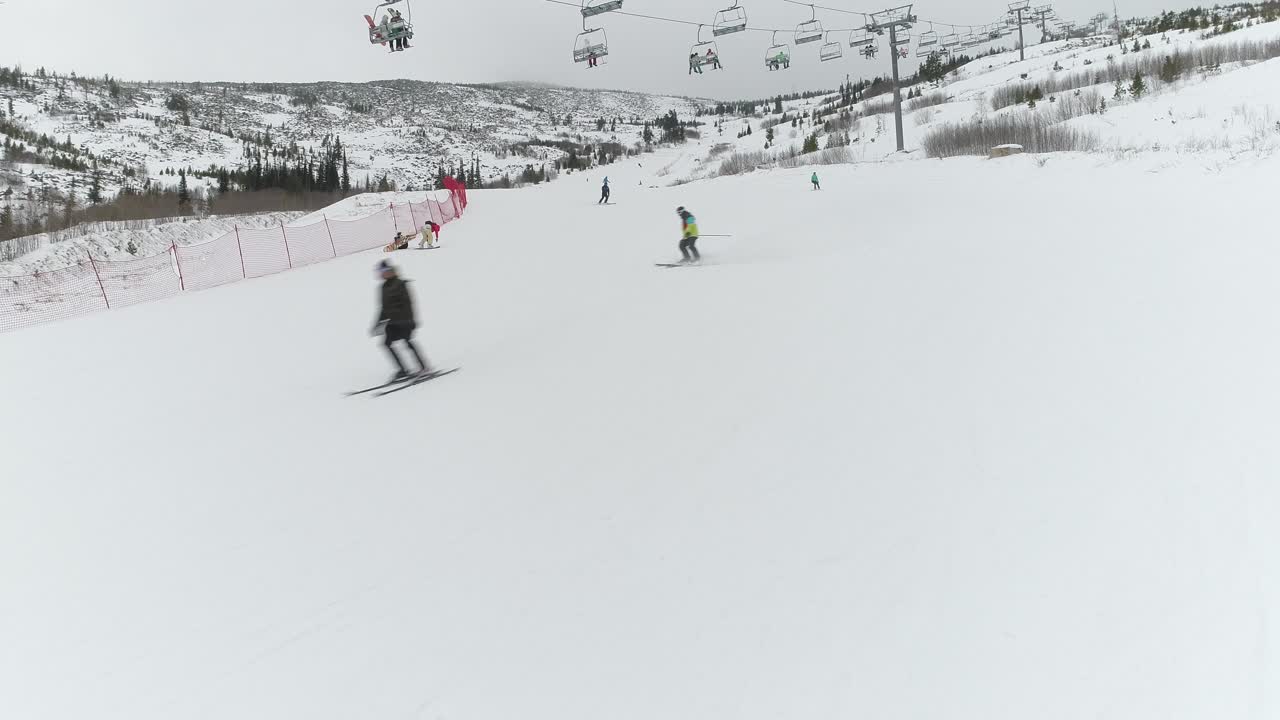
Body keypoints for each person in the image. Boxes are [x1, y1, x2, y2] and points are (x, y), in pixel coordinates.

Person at [372, 260, 432, 381]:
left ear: (390, 270)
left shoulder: (400, 284)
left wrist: (404, 319)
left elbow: (407, 303)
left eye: (385, 271)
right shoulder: (383, 287)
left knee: (407, 341)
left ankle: (424, 368)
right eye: (381, 271)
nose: (383, 273)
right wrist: (377, 323)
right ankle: (403, 370)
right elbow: (383, 308)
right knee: (386, 343)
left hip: (405, 320)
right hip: (393, 322)